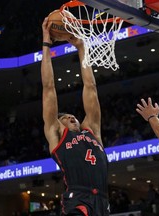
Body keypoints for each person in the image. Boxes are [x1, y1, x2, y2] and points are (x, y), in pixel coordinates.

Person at [41, 17, 109, 216]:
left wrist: (82, 48)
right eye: (66, 118)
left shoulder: (92, 131)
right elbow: (48, 88)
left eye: (73, 116)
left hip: (102, 201)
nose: (72, 117)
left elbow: (91, 87)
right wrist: (46, 43)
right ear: (59, 124)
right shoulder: (57, 134)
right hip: (78, 199)